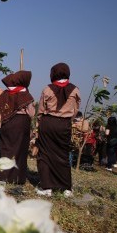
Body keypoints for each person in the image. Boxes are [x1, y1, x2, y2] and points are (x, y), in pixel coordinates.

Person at [36, 62, 80, 197]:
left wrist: (40, 122)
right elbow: (76, 109)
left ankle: (47, 187)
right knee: (63, 154)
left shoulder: (47, 89)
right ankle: (66, 188)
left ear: (53, 73)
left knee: (44, 154)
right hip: (64, 124)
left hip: (48, 122)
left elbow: (41, 109)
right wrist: (67, 119)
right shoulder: (75, 90)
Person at [0, 70, 35, 185]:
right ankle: (18, 178)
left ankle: (2, 177)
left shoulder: (5, 94)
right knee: (20, 150)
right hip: (22, 124)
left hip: (7, 123)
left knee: (6, 149)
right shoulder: (25, 95)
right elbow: (31, 113)